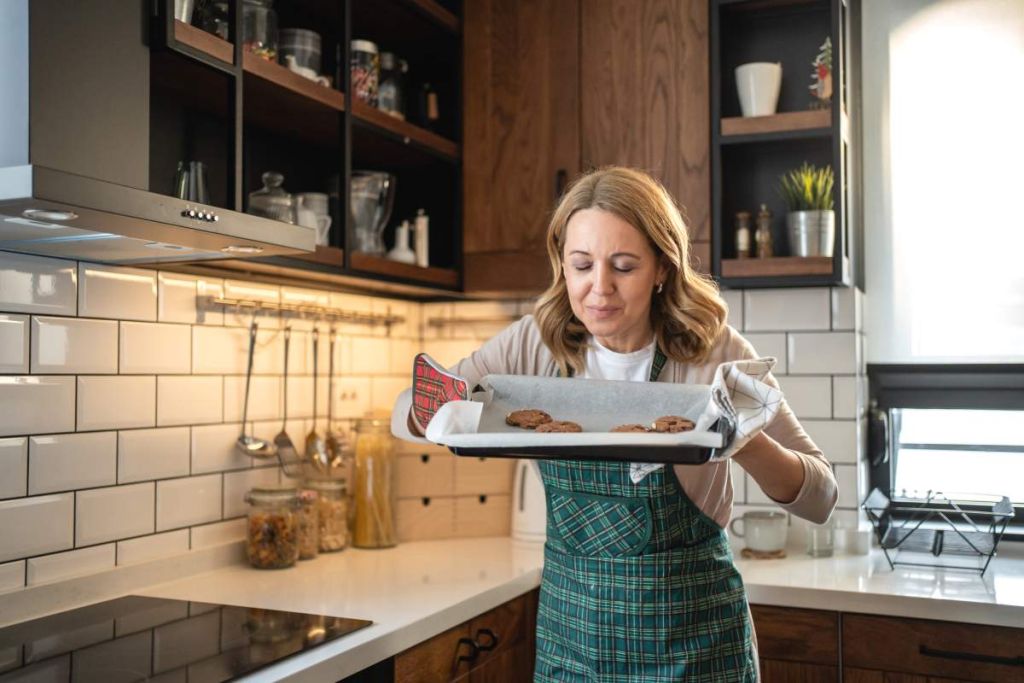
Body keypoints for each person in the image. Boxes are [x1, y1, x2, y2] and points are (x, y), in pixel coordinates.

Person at [393, 166, 837, 681]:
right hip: (572, 645)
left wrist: (741, 440)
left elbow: (820, 497)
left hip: (694, 648)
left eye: (623, 266)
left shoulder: (713, 353)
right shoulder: (534, 344)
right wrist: (438, 410)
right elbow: (409, 412)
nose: (598, 288)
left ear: (662, 269)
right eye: (581, 265)